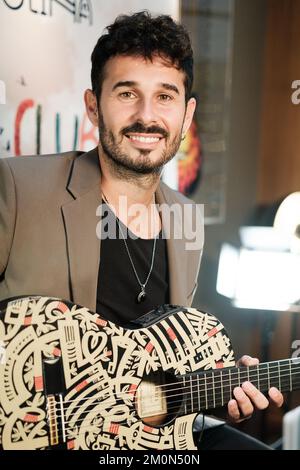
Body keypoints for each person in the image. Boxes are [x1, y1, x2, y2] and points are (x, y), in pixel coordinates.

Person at [0, 10, 283, 450]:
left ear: (187, 115)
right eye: (127, 93)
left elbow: (156, 369)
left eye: (165, 97)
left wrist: (215, 392)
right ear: (93, 105)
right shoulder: (18, 188)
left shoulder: (187, 220)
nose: (147, 117)